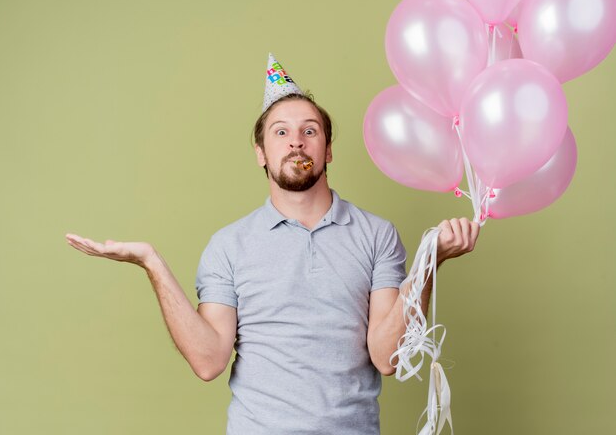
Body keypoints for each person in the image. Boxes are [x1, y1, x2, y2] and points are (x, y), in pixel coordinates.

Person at [66, 54, 479, 435]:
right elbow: (209, 361)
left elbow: (388, 357)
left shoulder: (376, 234)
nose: (296, 141)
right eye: (281, 132)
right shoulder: (228, 246)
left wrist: (430, 261)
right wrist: (151, 263)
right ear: (261, 153)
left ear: (328, 150)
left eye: (309, 131)